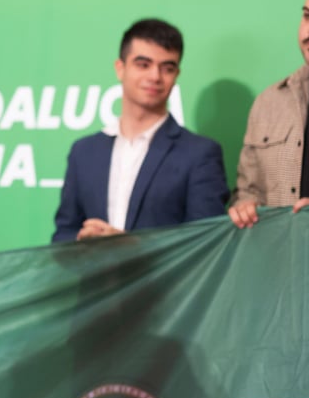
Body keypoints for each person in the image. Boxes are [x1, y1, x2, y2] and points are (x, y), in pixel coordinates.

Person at [52, 18, 228, 242]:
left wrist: (130, 247)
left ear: (176, 75)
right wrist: (81, 241)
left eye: (167, 68)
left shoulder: (199, 154)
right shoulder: (83, 152)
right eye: (143, 64)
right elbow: (62, 236)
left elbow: (205, 244)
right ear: (120, 68)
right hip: (93, 277)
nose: (155, 76)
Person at [230, 0, 309, 227]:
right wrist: (243, 207)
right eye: (308, 15)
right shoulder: (269, 103)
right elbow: (247, 191)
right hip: (281, 263)